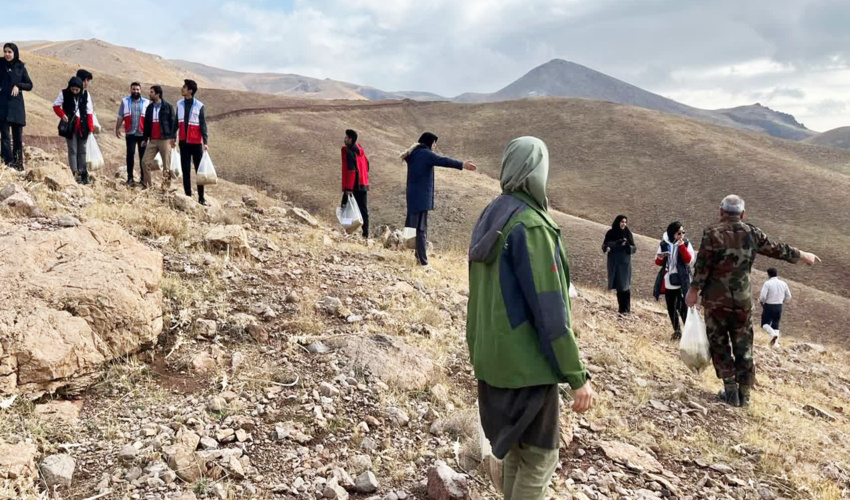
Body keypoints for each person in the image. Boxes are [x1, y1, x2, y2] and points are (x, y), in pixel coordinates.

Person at [467, 137, 595, 500]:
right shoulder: (532, 226)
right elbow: (550, 312)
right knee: (539, 459)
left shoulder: (492, 214)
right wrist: (576, 376)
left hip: (491, 363)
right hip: (527, 370)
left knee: (515, 452)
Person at [686, 195, 820, 407]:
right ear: (743, 214)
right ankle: (745, 394)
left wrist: (693, 290)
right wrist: (803, 255)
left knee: (719, 343)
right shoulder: (752, 232)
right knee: (744, 345)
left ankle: (730, 391)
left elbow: (702, 266)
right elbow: (776, 249)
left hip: (715, 301)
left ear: (721, 212)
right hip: (742, 301)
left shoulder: (711, 233)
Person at [400, 132, 476, 268]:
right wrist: (462, 165)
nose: (435, 146)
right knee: (421, 229)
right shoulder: (426, 154)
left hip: (412, 196)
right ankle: (423, 262)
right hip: (421, 197)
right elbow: (444, 161)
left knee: (414, 227)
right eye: (434, 143)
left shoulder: (414, 153)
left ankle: (418, 256)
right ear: (429, 142)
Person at [654, 221, 695, 340]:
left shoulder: (686, 244)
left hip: (682, 280)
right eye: (679, 232)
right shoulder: (664, 243)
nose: (681, 234)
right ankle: (677, 331)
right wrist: (661, 258)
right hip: (668, 279)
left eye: (683, 232)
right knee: (671, 306)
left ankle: (688, 333)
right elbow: (658, 262)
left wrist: (681, 246)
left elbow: (689, 260)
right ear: (672, 233)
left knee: (682, 306)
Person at [52, 77, 93, 184]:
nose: (75, 92)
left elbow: (89, 112)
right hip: (70, 126)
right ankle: (75, 173)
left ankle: (83, 172)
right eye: (73, 89)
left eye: (77, 90)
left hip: (83, 126)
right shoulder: (64, 93)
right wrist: (62, 115)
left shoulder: (85, 94)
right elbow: (56, 106)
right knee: (72, 149)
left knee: (82, 150)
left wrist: (90, 128)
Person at [174, 79, 208, 205]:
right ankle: (188, 195)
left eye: (184, 87)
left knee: (199, 170)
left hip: (196, 143)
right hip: (183, 142)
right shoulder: (179, 104)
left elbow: (203, 124)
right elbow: (176, 122)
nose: (182, 88)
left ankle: (201, 197)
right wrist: (173, 137)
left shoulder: (199, 105)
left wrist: (205, 141)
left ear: (190, 91)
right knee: (186, 169)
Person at [0, 43, 33, 171]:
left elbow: (29, 85)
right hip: (2, 105)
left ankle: (18, 164)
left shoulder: (20, 67)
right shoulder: (0, 64)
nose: (7, 54)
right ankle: (8, 164)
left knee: (17, 137)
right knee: (5, 137)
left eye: (10, 52)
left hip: (16, 106)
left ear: (15, 53)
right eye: (5, 51)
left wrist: (18, 85)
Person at [141, 85, 176, 190]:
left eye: (151, 92)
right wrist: (145, 139)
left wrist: (173, 138)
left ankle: (165, 187)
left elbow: (173, 123)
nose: (149, 94)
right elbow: (146, 124)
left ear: (158, 94)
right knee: (145, 162)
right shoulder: (149, 108)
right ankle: (148, 186)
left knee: (166, 165)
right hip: (153, 140)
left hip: (165, 139)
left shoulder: (168, 107)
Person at [116, 82, 149, 187]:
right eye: (133, 89)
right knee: (130, 155)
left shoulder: (146, 102)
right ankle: (130, 178)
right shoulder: (125, 101)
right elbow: (120, 115)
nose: (135, 91)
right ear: (130, 90)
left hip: (142, 133)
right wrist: (117, 128)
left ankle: (143, 179)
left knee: (143, 157)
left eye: (137, 89)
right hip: (130, 133)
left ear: (140, 90)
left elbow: (150, 119)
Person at [602, 215, 636, 314]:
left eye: (625, 222)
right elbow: (604, 245)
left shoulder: (627, 233)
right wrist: (611, 246)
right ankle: (621, 309)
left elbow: (634, 248)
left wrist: (627, 246)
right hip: (614, 263)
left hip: (625, 264)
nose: (624, 224)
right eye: (622, 222)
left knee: (625, 286)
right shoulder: (611, 233)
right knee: (618, 286)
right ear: (618, 222)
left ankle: (627, 310)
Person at [340, 129, 370, 238]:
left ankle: (347, 230)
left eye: (346, 138)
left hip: (353, 186)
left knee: (345, 207)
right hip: (363, 184)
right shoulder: (360, 150)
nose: (344, 139)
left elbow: (351, 171)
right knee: (363, 209)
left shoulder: (349, 151)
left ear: (350, 139)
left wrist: (348, 189)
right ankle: (365, 234)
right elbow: (367, 165)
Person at [759, 268, 791, 346]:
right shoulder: (783, 283)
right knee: (776, 324)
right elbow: (789, 296)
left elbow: (763, 296)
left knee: (764, 324)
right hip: (779, 306)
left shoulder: (767, 283)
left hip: (769, 306)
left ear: (768, 274)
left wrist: (761, 301)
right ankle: (776, 344)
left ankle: (773, 335)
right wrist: (782, 301)